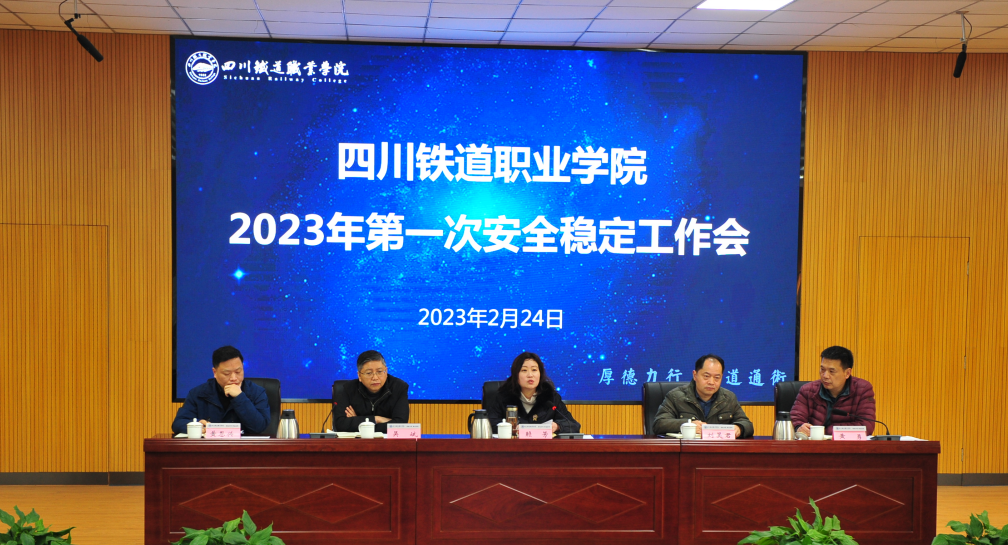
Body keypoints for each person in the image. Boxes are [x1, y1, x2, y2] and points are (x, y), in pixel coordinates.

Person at [172, 345, 271, 436]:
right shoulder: (198, 393)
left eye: (238, 371)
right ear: (214, 372)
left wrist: (240, 397)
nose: (234, 378)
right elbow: (178, 423)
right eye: (227, 373)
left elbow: (259, 427)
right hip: (210, 447)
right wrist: (198, 426)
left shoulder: (257, 392)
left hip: (245, 447)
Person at [652, 354, 754, 438]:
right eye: (706, 376)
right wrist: (689, 425)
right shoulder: (676, 396)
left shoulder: (728, 398)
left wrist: (739, 428)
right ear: (695, 375)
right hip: (687, 450)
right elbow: (659, 424)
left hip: (718, 451)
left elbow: (747, 424)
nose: (711, 382)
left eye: (717, 377)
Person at [487, 352, 580, 434]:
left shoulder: (551, 398)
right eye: (524, 370)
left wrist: (557, 426)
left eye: (534, 370)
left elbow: (574, 425)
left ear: (540, 373)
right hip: (512, 446)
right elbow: (490, 425)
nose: (530, 375)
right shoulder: (503, 397)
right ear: (516, 375)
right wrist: (512, 428)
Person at [790, 345, 876, 436]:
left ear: (847, 373)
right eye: (822, 369)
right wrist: (799, 426)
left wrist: (824, 431)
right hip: (815, 443)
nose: (825, 376)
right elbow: (795, 418)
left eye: (831, 371)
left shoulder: (862, 389)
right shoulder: (808, 390)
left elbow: (866, 426)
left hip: (846, 444)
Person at [333, 350, 410, 434]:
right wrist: (376, 419)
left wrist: (360, 422)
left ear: (386, 371)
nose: (375, 377)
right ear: (359, 376)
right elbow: (340, 424)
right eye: (369, 373)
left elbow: (400, 426)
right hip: (358, 441)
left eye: (379, 372)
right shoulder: (349, 389)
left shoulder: (399, 387)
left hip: (388, 441)